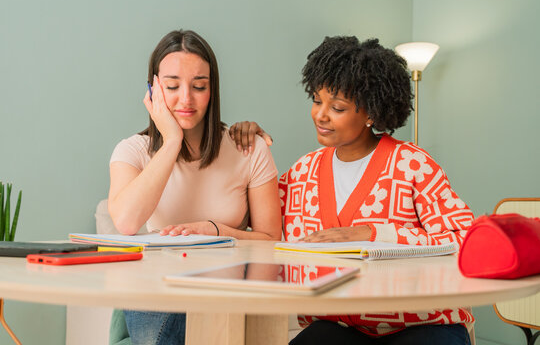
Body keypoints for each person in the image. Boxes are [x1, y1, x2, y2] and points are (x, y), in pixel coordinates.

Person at [230, 36, 474, 345]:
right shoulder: (302, 173)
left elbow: (463, 239)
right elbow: (254, 223)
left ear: (371, 113)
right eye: (317, 101)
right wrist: (243, 147)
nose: (321, 115)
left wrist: (373, 234)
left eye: (338, 107)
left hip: (423, 326)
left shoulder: (412, 165)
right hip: (340, 329)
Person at [108, 29, 282, 345]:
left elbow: (271, 240)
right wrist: (172, 141)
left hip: (222, 296)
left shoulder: (248, 148)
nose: (186, 99)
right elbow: (126, 222)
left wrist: (216, 230)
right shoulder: (132, 150)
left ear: (212, 90)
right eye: (172, 86)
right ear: (153, 89)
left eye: (198, 86)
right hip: (156, 294)